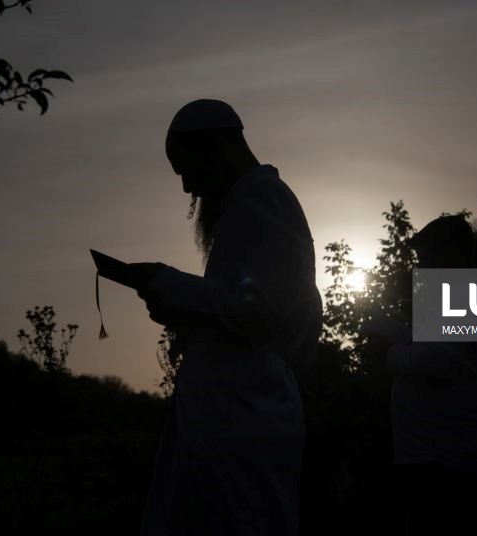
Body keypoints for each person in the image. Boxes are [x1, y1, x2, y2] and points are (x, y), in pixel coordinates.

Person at [128, 99, 323, 536]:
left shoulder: (265, 203)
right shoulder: (251, 206)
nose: (186, 188)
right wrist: (180, 308)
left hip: (247, 417)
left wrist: (167, 283)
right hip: (232, 416)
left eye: (186, 170)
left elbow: (258, 312)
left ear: (215, 149)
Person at [364, 215, 477, 536]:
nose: (421, 268)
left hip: (449, 460)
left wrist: (388, 352)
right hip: (446, 455)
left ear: (452, 256)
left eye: (427, 258)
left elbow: (441, 362)